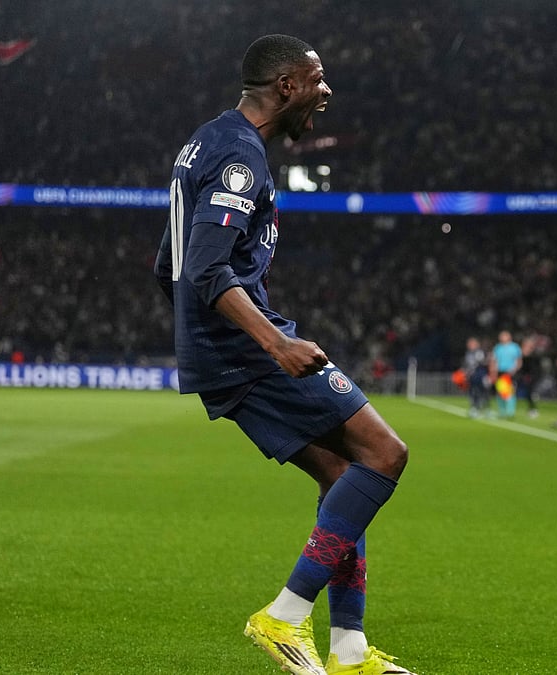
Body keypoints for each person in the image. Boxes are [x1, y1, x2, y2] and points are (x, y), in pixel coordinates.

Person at [154, 34, 414, 675]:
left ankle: (350, 652)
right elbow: (208, 271)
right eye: (317, 80)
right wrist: (274, 342)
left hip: (225, 349)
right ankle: (284, 615)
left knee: (343, 478)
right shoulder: (241, 158)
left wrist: (199, 337)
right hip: (248, 349)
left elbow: (171, 265)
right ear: (287, 86)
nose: (326, 93)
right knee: (385, 453)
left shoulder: (205, 142)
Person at [490, 330, 523, 419]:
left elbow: (519, 360)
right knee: (500, 392)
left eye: (504, 336)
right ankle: (502, 411)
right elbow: (494, 361)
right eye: (501, 336)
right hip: (500, 372)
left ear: (509, 337)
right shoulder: (497, 348)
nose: (502, 338)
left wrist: (514, 369)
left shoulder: (515, 347)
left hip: (511, 373)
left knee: (510, 392)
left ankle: (510, 412)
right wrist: (493, 372)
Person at [462, 336, 490, 418]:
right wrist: (465, 372)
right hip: (472, 376)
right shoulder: (468, 353)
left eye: (472, 343)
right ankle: (474, 408)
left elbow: (484, 363)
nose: (470, 345)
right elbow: (467, 365)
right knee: (473, 392)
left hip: (480, 375)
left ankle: (486, 408)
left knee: (483, 392)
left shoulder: (480, 352)